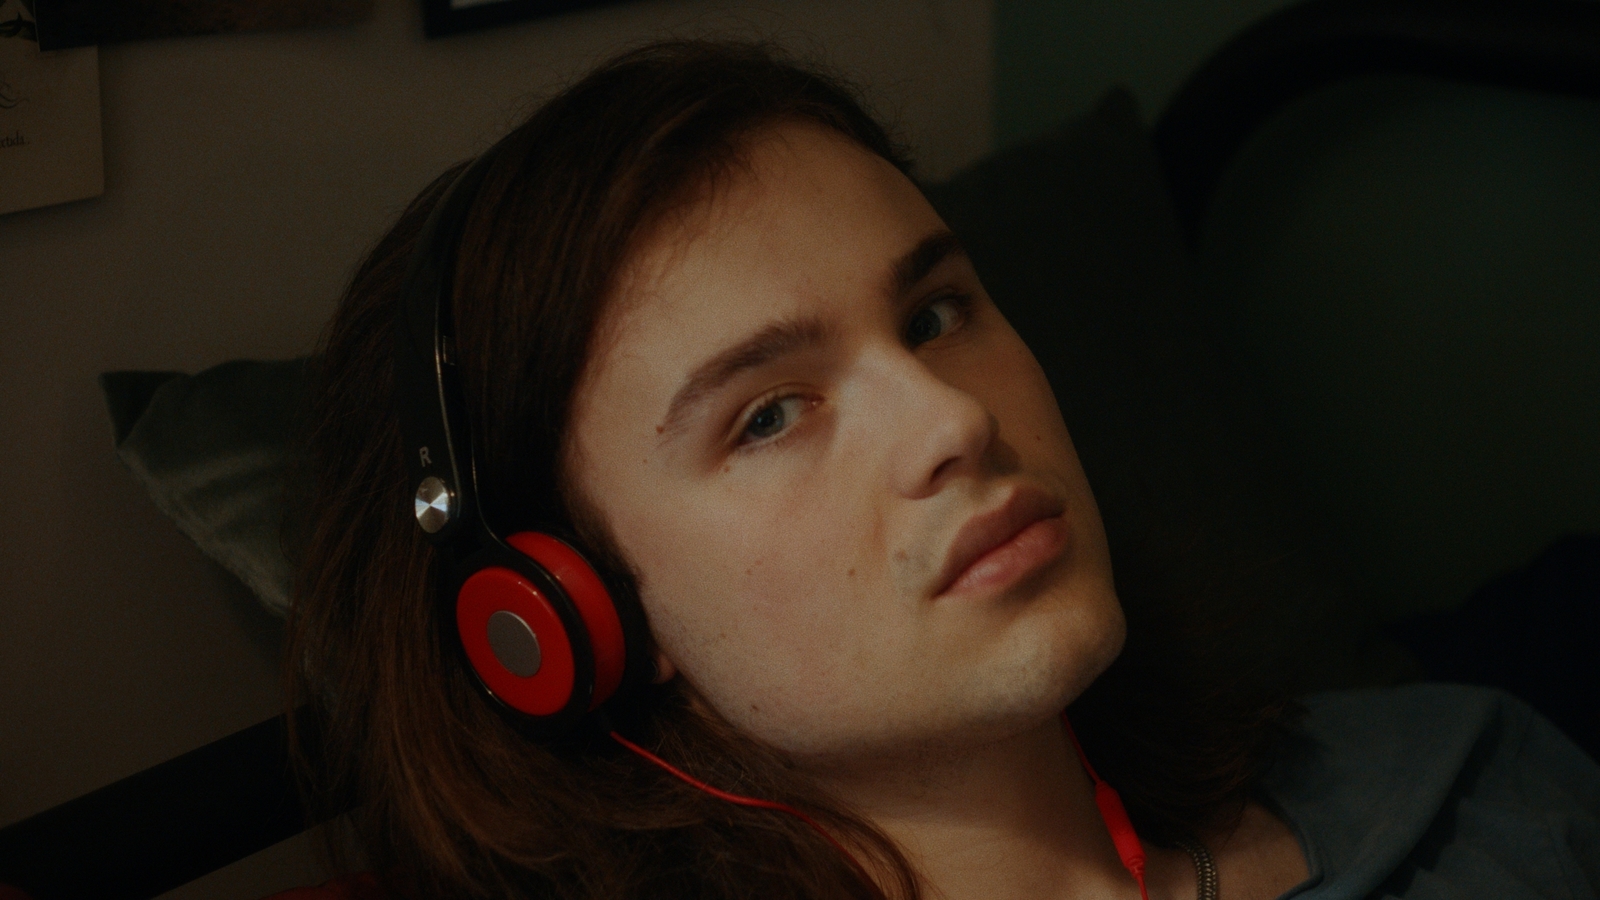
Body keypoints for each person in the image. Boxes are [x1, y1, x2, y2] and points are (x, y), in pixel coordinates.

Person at [284, 40, 1600, 900]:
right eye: (768, 415)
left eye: (933, 316)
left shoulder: (1477, 778)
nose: (948, 421)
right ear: (564, 617)